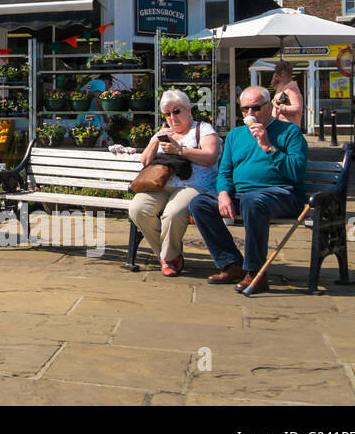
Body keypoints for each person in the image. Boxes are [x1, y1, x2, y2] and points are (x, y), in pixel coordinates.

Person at [188, 85, 308, 294]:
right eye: (245, 109)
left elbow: (297, 172)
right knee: (200, 203)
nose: (250, 114)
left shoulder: (290, 132)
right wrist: (224, 193)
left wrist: (267, 146)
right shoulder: (235, 135)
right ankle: (231, 263)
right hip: (243, 195)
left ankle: (255, 272)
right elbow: (225, 171)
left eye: (255, 108)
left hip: (282, 193)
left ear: (270, 106)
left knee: (253, 201)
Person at [129, 89, 221, 277]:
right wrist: (156, 139)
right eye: (167, 113)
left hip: (194, 183)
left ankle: (168, 258)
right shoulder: (163, 132)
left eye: (176, 111)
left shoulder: (202, 129)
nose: (172, 117)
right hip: (161, 184)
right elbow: (146, 161)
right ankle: (169, 256)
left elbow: (210, 157)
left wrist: (180, 150)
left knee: (174, 213)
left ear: (188, 109)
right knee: (138, 209)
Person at [270, 60, 304, 129]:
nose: (276, 76)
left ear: (282, 73)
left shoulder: (292, 89)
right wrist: (274, 79)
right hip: (280, 125)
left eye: (277, 74)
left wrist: (280, 107)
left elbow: (297, 108)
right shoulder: (281, 86)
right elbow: (273, 85)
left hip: (288, 127)